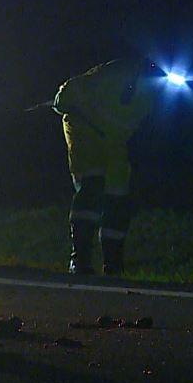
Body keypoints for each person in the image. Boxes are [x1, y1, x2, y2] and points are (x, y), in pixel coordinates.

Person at [52, 58, 157, 275]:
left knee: (118, 199)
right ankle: (79, 261)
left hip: (115, 142)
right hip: (85, 132)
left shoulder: (153, 91)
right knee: (92, 186)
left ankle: (113, 265)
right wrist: (69, 103)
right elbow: (68, 93)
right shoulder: (115, 72)